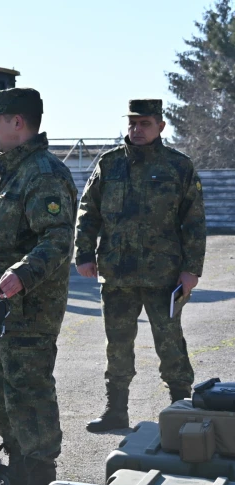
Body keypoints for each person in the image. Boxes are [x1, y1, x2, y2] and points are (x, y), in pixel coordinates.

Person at [0, 88, 77, 485]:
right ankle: (19, 471)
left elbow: (57, 238)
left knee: (29, 391)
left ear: (18, 122)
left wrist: (22, 273)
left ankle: (39, 479)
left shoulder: (43, 173)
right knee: (2, 392)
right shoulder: (7, 173)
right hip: (0, 310)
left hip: (29, 310)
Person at [75, 99, 206, 433]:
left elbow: (194, 221)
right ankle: (115, 411)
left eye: (144, 123)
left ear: (160, 126)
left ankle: (181, 408)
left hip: (164, 274)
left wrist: (192, 269)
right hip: (117, 273)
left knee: (170, 342)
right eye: (132, 123)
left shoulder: (179, 166)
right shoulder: (110, 163)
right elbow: (89, 212)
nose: (137, 130)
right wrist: (84, 254)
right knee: (117, 345)